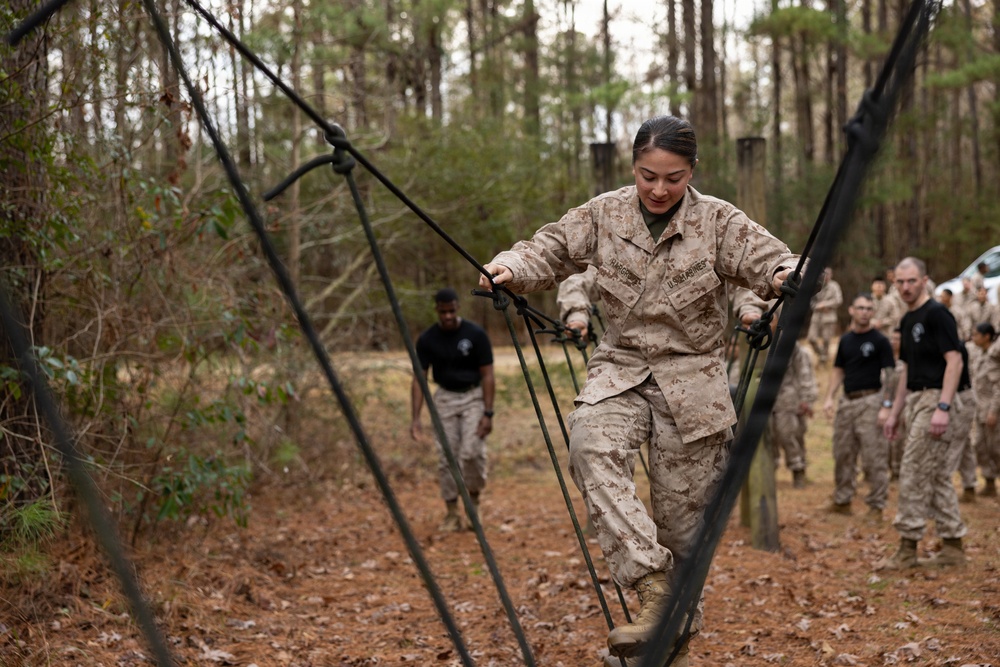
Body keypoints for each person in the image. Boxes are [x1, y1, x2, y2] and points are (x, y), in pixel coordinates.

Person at [478, 115, 799, 666]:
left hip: (693, 383)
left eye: (672, 177)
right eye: (648, 175)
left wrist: (789, 275)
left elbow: (776, 262)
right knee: (590, 444)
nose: (658, 189)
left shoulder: (720, 222)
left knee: (684, 534)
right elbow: (549, 250)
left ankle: (666, 639)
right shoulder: (604, 214)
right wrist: (507, 267)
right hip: (620, 369)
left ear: (692, 171)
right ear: (634, 167)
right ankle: (653, 591)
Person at [880, 257, 973, 570]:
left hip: (938, 398)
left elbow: (955, 361)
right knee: (934, 475)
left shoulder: (937, 314)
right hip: (917, 398)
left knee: (913, 469)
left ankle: (907, 548)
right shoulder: (907, 320)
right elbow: (907, 369)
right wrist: (894, 411)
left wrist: (943, 408)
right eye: (900, 282)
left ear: (924, 280)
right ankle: (953, 546)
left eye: (912, 281)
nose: (906, 287)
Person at [410, 288, 495, 532]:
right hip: (445, 397)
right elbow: (419, 378)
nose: (447, 316)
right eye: (443, 311)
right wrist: (416, 419)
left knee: (471, 452)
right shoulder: (427, 339)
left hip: (473, 397)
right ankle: (451, 513)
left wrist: (488, 413)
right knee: (447, 458)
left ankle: (474, 504)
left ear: (457, 308)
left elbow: (488, 375)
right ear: (437, 310)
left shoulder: (475, 334)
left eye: (451, 311)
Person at [821, 294, 895, 518]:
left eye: (869, 309)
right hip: (847, 402)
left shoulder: (880, 341)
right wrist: (829, 397)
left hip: (871, 401)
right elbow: (838, 370)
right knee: (843, 453)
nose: (864, 312)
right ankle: (842, 500)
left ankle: (876, 505)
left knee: (873, 456)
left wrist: (886, 405)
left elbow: (890, 374)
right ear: (851, 310)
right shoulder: (845, 340)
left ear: (872, 313)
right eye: (860, 308)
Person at [970, 322, 1000, 497]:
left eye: (976, 334)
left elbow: (998, 386)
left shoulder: (994, 356)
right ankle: (989, 482)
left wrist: (993, 411)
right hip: (979, 409)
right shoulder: (980, 354)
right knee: (979, 446)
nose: (973, 337)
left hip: (992, 410)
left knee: (996, 448)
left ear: (986, 336)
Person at [808, 267, 842, 364]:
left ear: (831, 275)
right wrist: (817, 307)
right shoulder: (816, 285)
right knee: (811, 338)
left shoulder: (835, 286)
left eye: (828, 274)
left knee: (826, 340)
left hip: (829, 316)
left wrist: (825, 304)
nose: (826, 276)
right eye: (825, 274)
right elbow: (810, 300)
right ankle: (822, 355)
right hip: (816, 315)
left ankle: (824, 361)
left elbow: (838, 300)